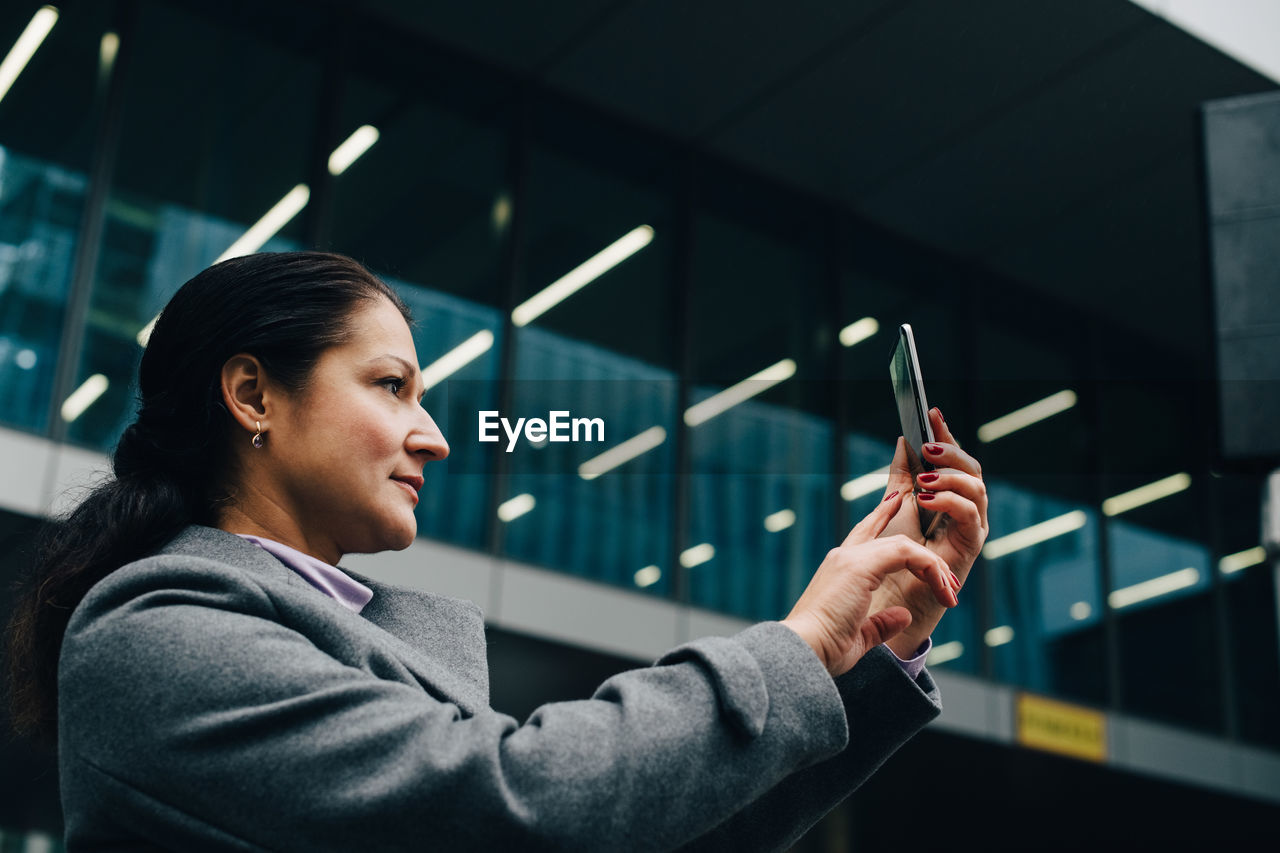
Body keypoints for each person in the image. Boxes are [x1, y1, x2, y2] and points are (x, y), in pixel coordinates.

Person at [4, 251, 988, 851]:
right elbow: (521, 809)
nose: (431, 434)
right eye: (390, 386)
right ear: (254, 395)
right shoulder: (155, 635)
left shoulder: (330, 631)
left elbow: (636, 836)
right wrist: (803, 638)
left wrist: (874, 635)